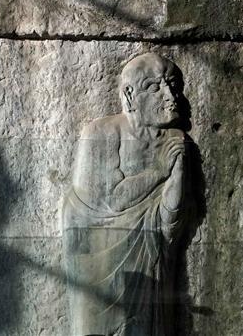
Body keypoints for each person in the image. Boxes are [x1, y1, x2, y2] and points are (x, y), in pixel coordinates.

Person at [62, 53, 193, 336]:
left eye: (172, 85)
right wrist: (159, 171)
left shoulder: (173, 140)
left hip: (150, 258)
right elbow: (107, 201)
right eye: (154, 87)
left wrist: (177, 173)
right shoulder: (101, 133)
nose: (170, 95)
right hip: (97, 260)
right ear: (130, 95)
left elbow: (170, 221)